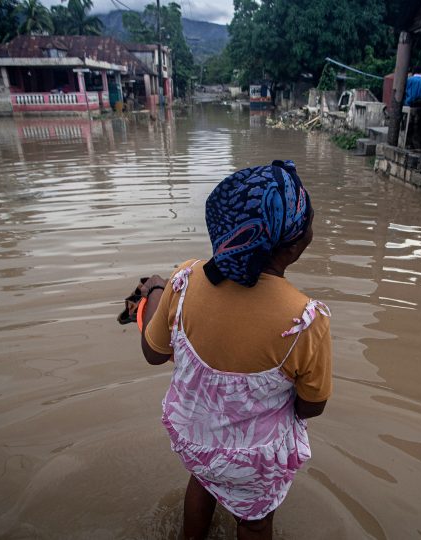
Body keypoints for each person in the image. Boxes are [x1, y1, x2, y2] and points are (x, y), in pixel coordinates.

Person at [139, 160, 332, 539]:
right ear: (294, 245)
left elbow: (153, 353)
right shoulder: (305, 320)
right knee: (255, 519)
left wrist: (156, 292)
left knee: (204, 480)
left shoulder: (184, 282)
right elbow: (312, 405)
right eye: (309, 220)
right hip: (252, 458)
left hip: (195, 438)